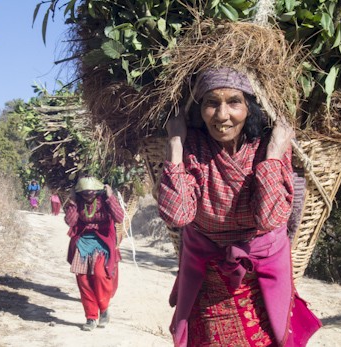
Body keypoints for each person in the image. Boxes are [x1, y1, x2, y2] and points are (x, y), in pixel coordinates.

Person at [158, 67, 321, 346]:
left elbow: (270, 217)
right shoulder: (192, 148)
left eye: (234, 102)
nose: (222, 116)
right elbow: (177, 214)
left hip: (260, 280)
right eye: (211, 103)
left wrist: (272, 155)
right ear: (199, 109)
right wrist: (175, 143)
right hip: (210, 281)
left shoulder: (266, 147)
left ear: (250, 107)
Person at [64, 176, 124, 331]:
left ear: (97, 191)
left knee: (99, 274)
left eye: (91, 193)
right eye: (84, 193)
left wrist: (110, 197)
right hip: (83, 241)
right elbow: (70, 222)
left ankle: (104, 310)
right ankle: (91, 317)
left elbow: (119, 217)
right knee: (83, 279)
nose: (88, 196)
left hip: (102, 241)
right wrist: (71, 201)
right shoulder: (77, 202)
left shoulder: (105, 201)